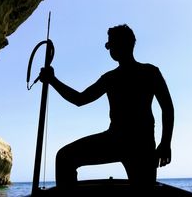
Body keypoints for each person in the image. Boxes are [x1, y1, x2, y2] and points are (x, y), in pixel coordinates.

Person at [39, 24, 174, 191]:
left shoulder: (124, 76)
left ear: (122, 44)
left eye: (109, 44)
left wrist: (166, 143)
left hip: (130, 143)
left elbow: (79, 99)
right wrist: (165, 143)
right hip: (137, 143)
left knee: (64, 157)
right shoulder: (146, 72)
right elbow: (80, 99)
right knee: (64, 157)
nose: (109, 48)